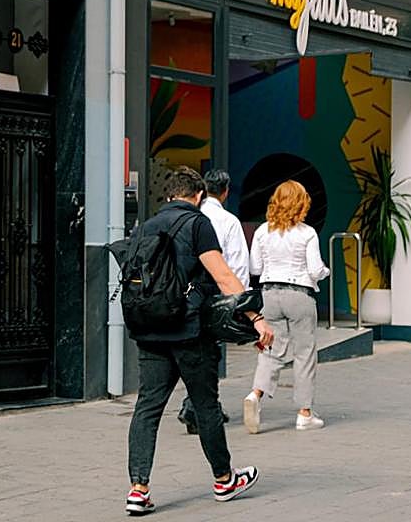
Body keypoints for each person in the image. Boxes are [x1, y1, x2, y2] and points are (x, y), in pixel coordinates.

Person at [125, 167, 274, 516]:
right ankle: (224, 479)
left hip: (149, 329)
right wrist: (255, 318)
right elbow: (223, 276)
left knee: (147, 408)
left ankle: (138, 488)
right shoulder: (198, 224)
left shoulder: (146, 226)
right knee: (206, 405)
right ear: (199, 197)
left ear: (168, 195)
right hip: (189, 330)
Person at [243, 180, 331, 434]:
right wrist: (325, 272)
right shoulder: (307, 233)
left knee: (270, 348)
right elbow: (315, 269)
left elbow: (255, 269)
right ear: (302, 204)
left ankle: (255, 395)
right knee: (304, 353)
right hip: (299, 294)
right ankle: (304, 413)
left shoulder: (262, 232)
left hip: (269, 294)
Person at [177, 169, 249, 434]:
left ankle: (198, 404)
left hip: (183, 295)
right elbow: (239, 264)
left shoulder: (185, 217)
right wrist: (241, 304)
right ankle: (197, 406)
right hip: (216, 294)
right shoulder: (228, 221)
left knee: (192, 349)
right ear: (226, 191)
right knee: (210, 354)